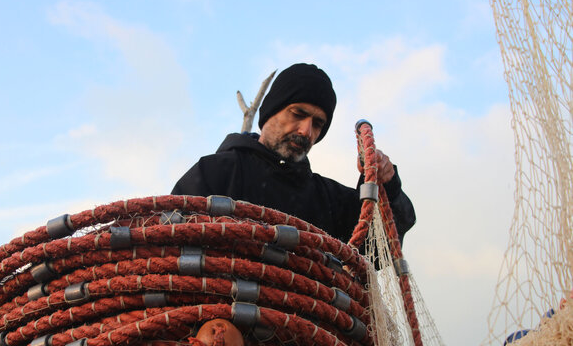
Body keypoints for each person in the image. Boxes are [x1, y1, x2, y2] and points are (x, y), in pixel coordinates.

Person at [171, 63, 415, 245]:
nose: (306, 131)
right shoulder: (214, 174)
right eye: (298, 114)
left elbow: (377, 248)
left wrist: (387, 186)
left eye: (318, 124)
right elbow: (168, 244)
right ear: (270, 113)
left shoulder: (329, 200)